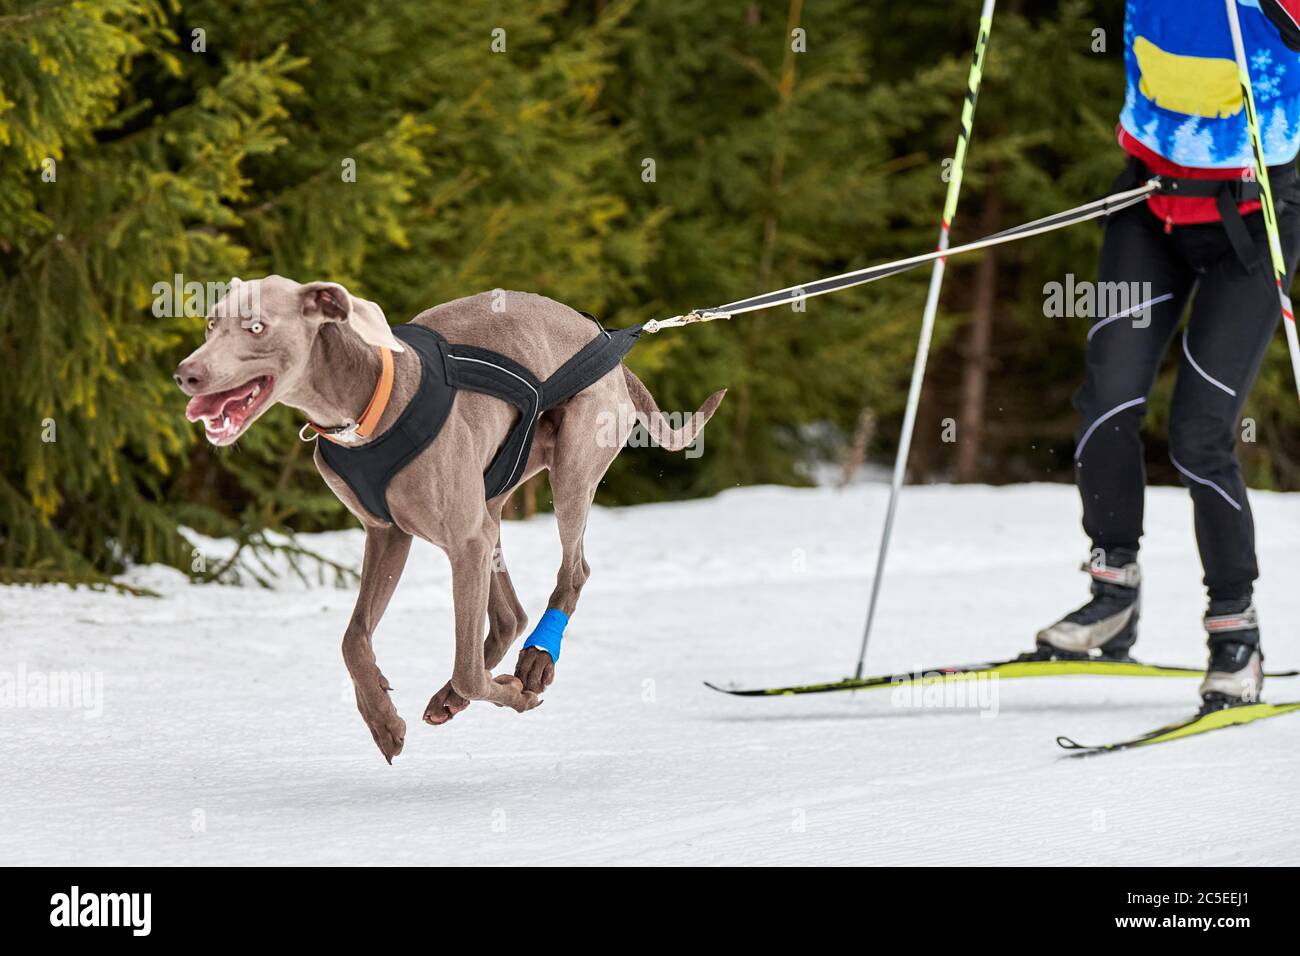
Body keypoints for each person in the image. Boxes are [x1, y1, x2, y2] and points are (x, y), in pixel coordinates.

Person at [1032, 0, 1300, 710]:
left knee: (1200, 434)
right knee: (1107, 401)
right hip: (1149, 202)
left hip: (1252, 213)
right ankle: (1112, 595)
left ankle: (1234, 633)